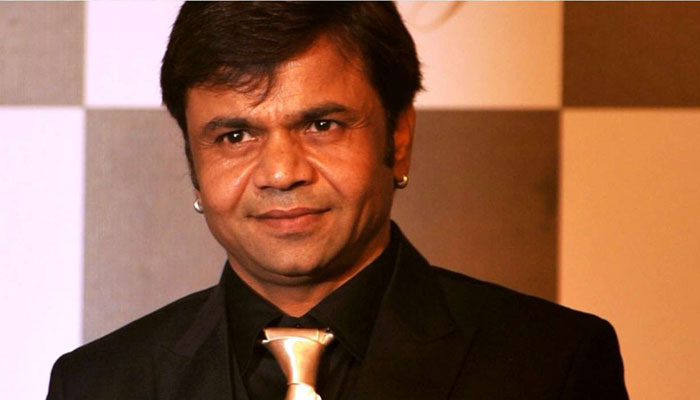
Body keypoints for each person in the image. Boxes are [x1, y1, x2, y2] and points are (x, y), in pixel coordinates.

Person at [47, 2, 628, 399]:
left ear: (399, 138)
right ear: (193, 164)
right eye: (235, 136)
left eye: (321, 125)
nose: (281, 173)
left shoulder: (552, 365)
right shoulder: (96, 385)